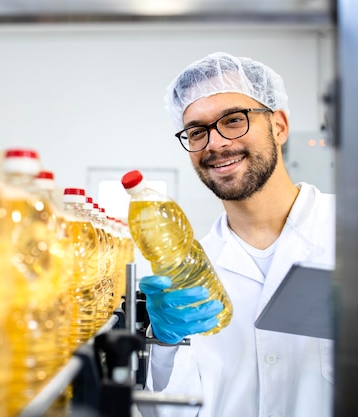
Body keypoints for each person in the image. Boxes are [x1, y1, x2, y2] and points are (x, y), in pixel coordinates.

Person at [136, 52, 334, 417]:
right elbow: (166, 411)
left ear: (279, 126)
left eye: (233, 120)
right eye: (197, 131)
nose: (214, 143)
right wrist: (164, 344)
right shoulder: (194, 275)